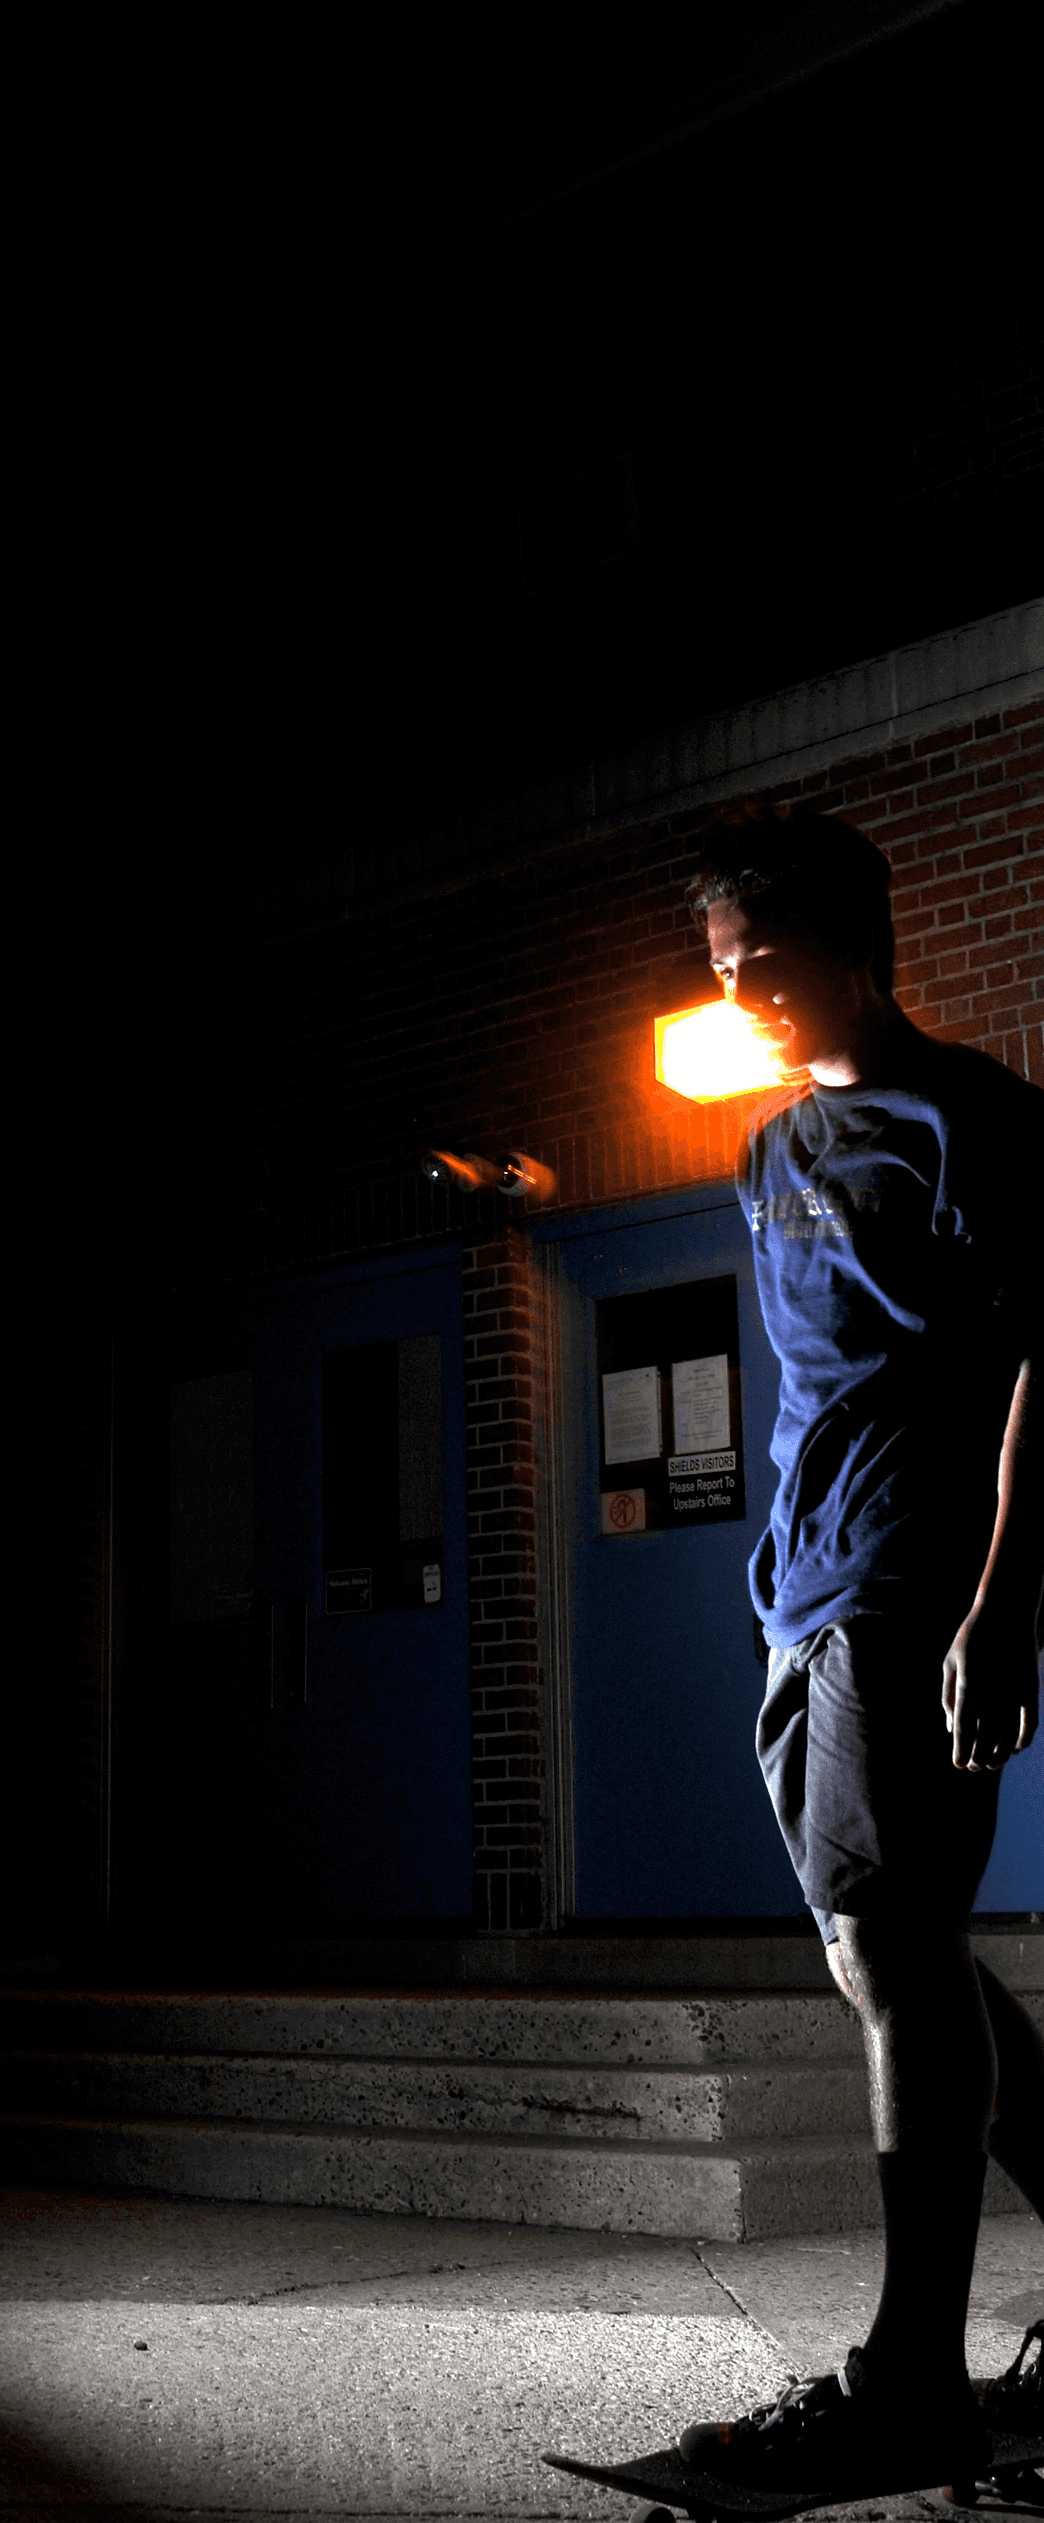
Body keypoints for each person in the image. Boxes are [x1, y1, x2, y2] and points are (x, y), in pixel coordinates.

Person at [676, 801, 1043, 2491]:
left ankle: (911, 2376)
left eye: (760, 968)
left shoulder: (971, 1118)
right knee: (871, 1945)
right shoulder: (764, 1150)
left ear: (849, 951)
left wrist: (998, 1597)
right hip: (799, 1579)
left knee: (895, 1943)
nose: (738, 996)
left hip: (915, 1576)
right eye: (719, 971)